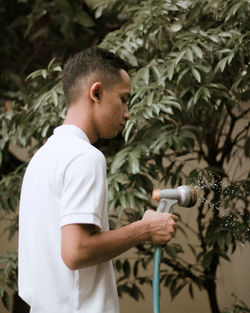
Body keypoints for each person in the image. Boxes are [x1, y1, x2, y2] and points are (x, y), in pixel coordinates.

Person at [18, 47, 178, 313]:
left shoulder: (41, 159)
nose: (127, 113)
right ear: (96, 93)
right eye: (124, 99)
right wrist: (145, 229)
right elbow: (76, 251)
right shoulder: (84, 157)